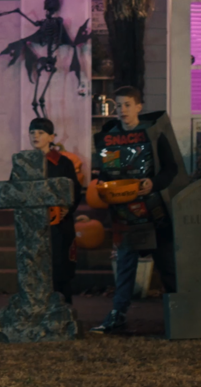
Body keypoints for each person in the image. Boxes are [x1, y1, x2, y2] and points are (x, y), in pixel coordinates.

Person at [89, 86, 189, 334]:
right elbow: (106, 171)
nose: (122, 110)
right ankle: (118, 315)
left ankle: (180, 315)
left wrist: (153, 183)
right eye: (118, 106)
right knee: (125, 266)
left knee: (167, 265)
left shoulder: (153, 134)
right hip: (124, 214)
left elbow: (171, 168)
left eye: (127, 105)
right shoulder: (109, 136)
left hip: (155, 212)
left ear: (138, 106)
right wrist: (102, 183)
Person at [27, 118, 84, 305]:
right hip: (34, 226)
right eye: (32, 132)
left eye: (40, 133)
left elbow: (74, 191)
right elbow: (15, 189)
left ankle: (63, 308)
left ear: (51, 137)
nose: (35, 136)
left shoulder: (63, 163)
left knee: (60, 268)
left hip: (59, 225)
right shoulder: (25, 162)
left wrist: (67, 209)